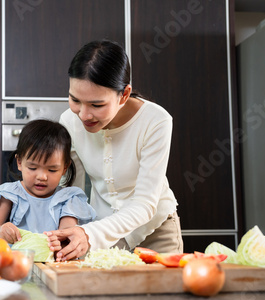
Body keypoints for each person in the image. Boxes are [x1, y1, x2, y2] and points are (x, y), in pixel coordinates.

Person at [43, 39, 183, 261]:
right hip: (100, 234)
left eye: (96, 105)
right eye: (75, 100)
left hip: (154, 231)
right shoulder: (68, 121)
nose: (83, 115)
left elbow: (145, 203)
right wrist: (14, 198)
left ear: (124, 95)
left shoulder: (156, 121)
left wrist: (88, 234)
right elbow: (71, 191)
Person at [0, 119, 96, 244]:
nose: (42, 177)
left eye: (52, 170)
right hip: (17, 261)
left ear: (64, 168)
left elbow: (66, 231)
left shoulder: (68, 199)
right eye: (33, 168)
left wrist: (61, 241)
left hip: (53, 262)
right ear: (19, 162)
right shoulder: (9, 193)